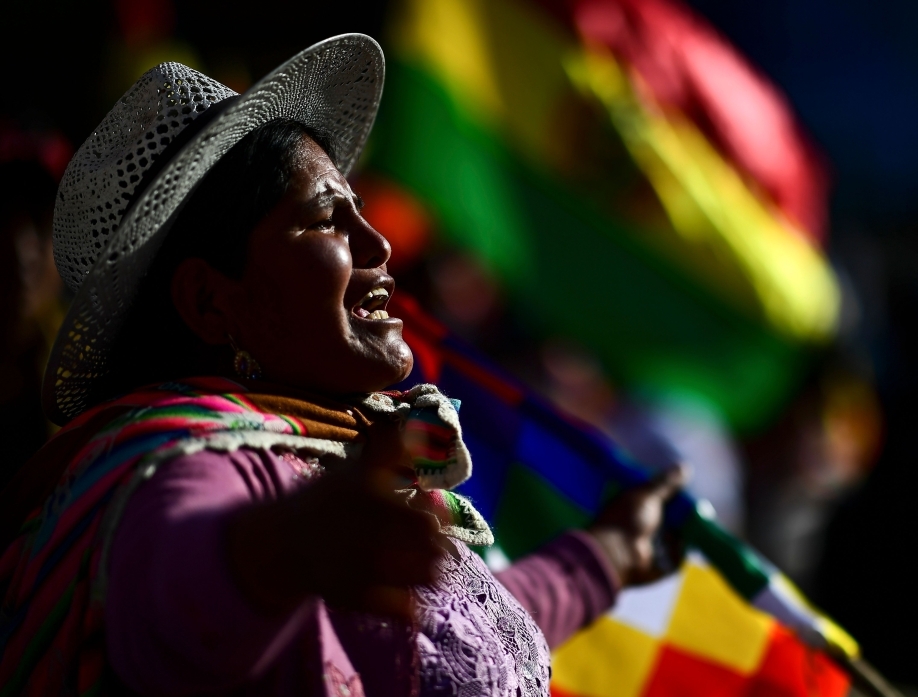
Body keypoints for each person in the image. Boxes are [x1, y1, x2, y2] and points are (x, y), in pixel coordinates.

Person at [0, 35, 680, 696]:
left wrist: (612, 553)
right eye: (327, 218)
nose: (379, 243)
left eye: (358, 207)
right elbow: (173, 590)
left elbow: (453, 634)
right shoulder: (186, 464)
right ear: (211, 301)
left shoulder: (337, 463)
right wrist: (279, 551)